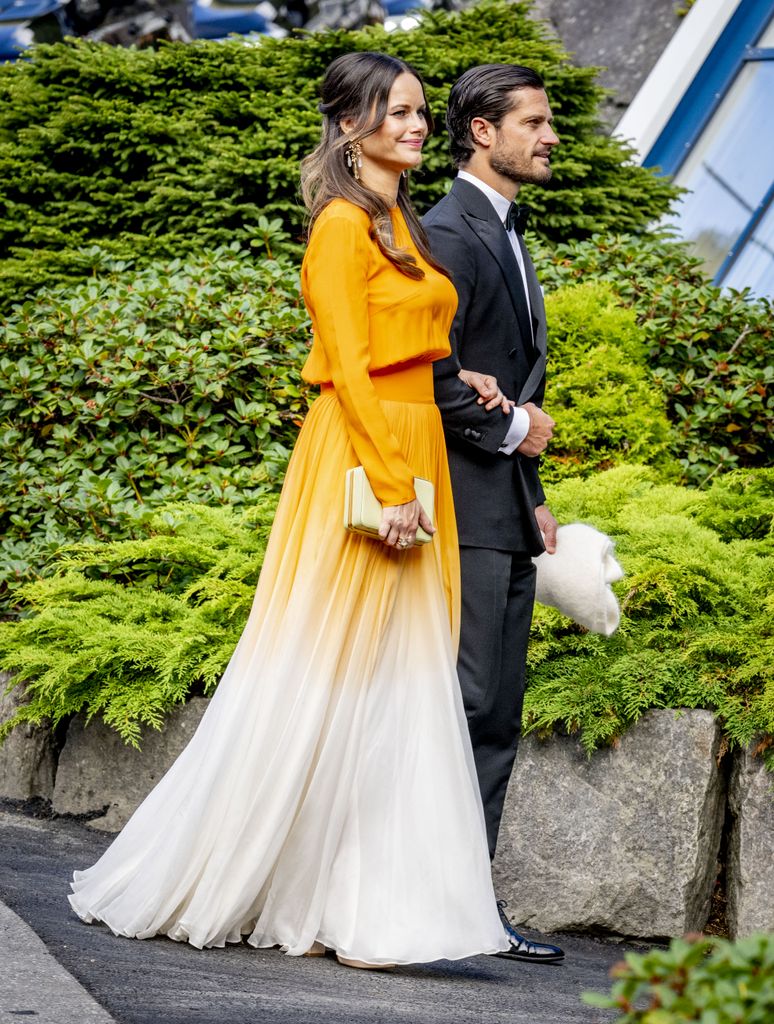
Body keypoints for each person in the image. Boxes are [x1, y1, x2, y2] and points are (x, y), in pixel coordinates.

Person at [67, 51, 509, 969]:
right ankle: (271, 879)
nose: (417, 125)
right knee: (330, 673)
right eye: (397, 113)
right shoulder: (345, 225)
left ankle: (359, 895)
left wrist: (453, 373)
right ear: (351, 127)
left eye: (422, 112)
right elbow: (346, 364)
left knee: (398, 681)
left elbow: (402, 340)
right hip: (364, 453)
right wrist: (390, 486)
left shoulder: (400, 220)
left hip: (414, 437)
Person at [423, 64, 565, 964]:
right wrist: (518, 429)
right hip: (462, 511)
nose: (551, 137)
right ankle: (436, 905)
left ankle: (469, 906)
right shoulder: (447, 231)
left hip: (504, 511)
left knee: (496, 715)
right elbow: (433, 377)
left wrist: (537, 496)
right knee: (465, 707)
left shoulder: (504, 230)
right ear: (484, 131)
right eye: (536, 122)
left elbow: (503, 368)